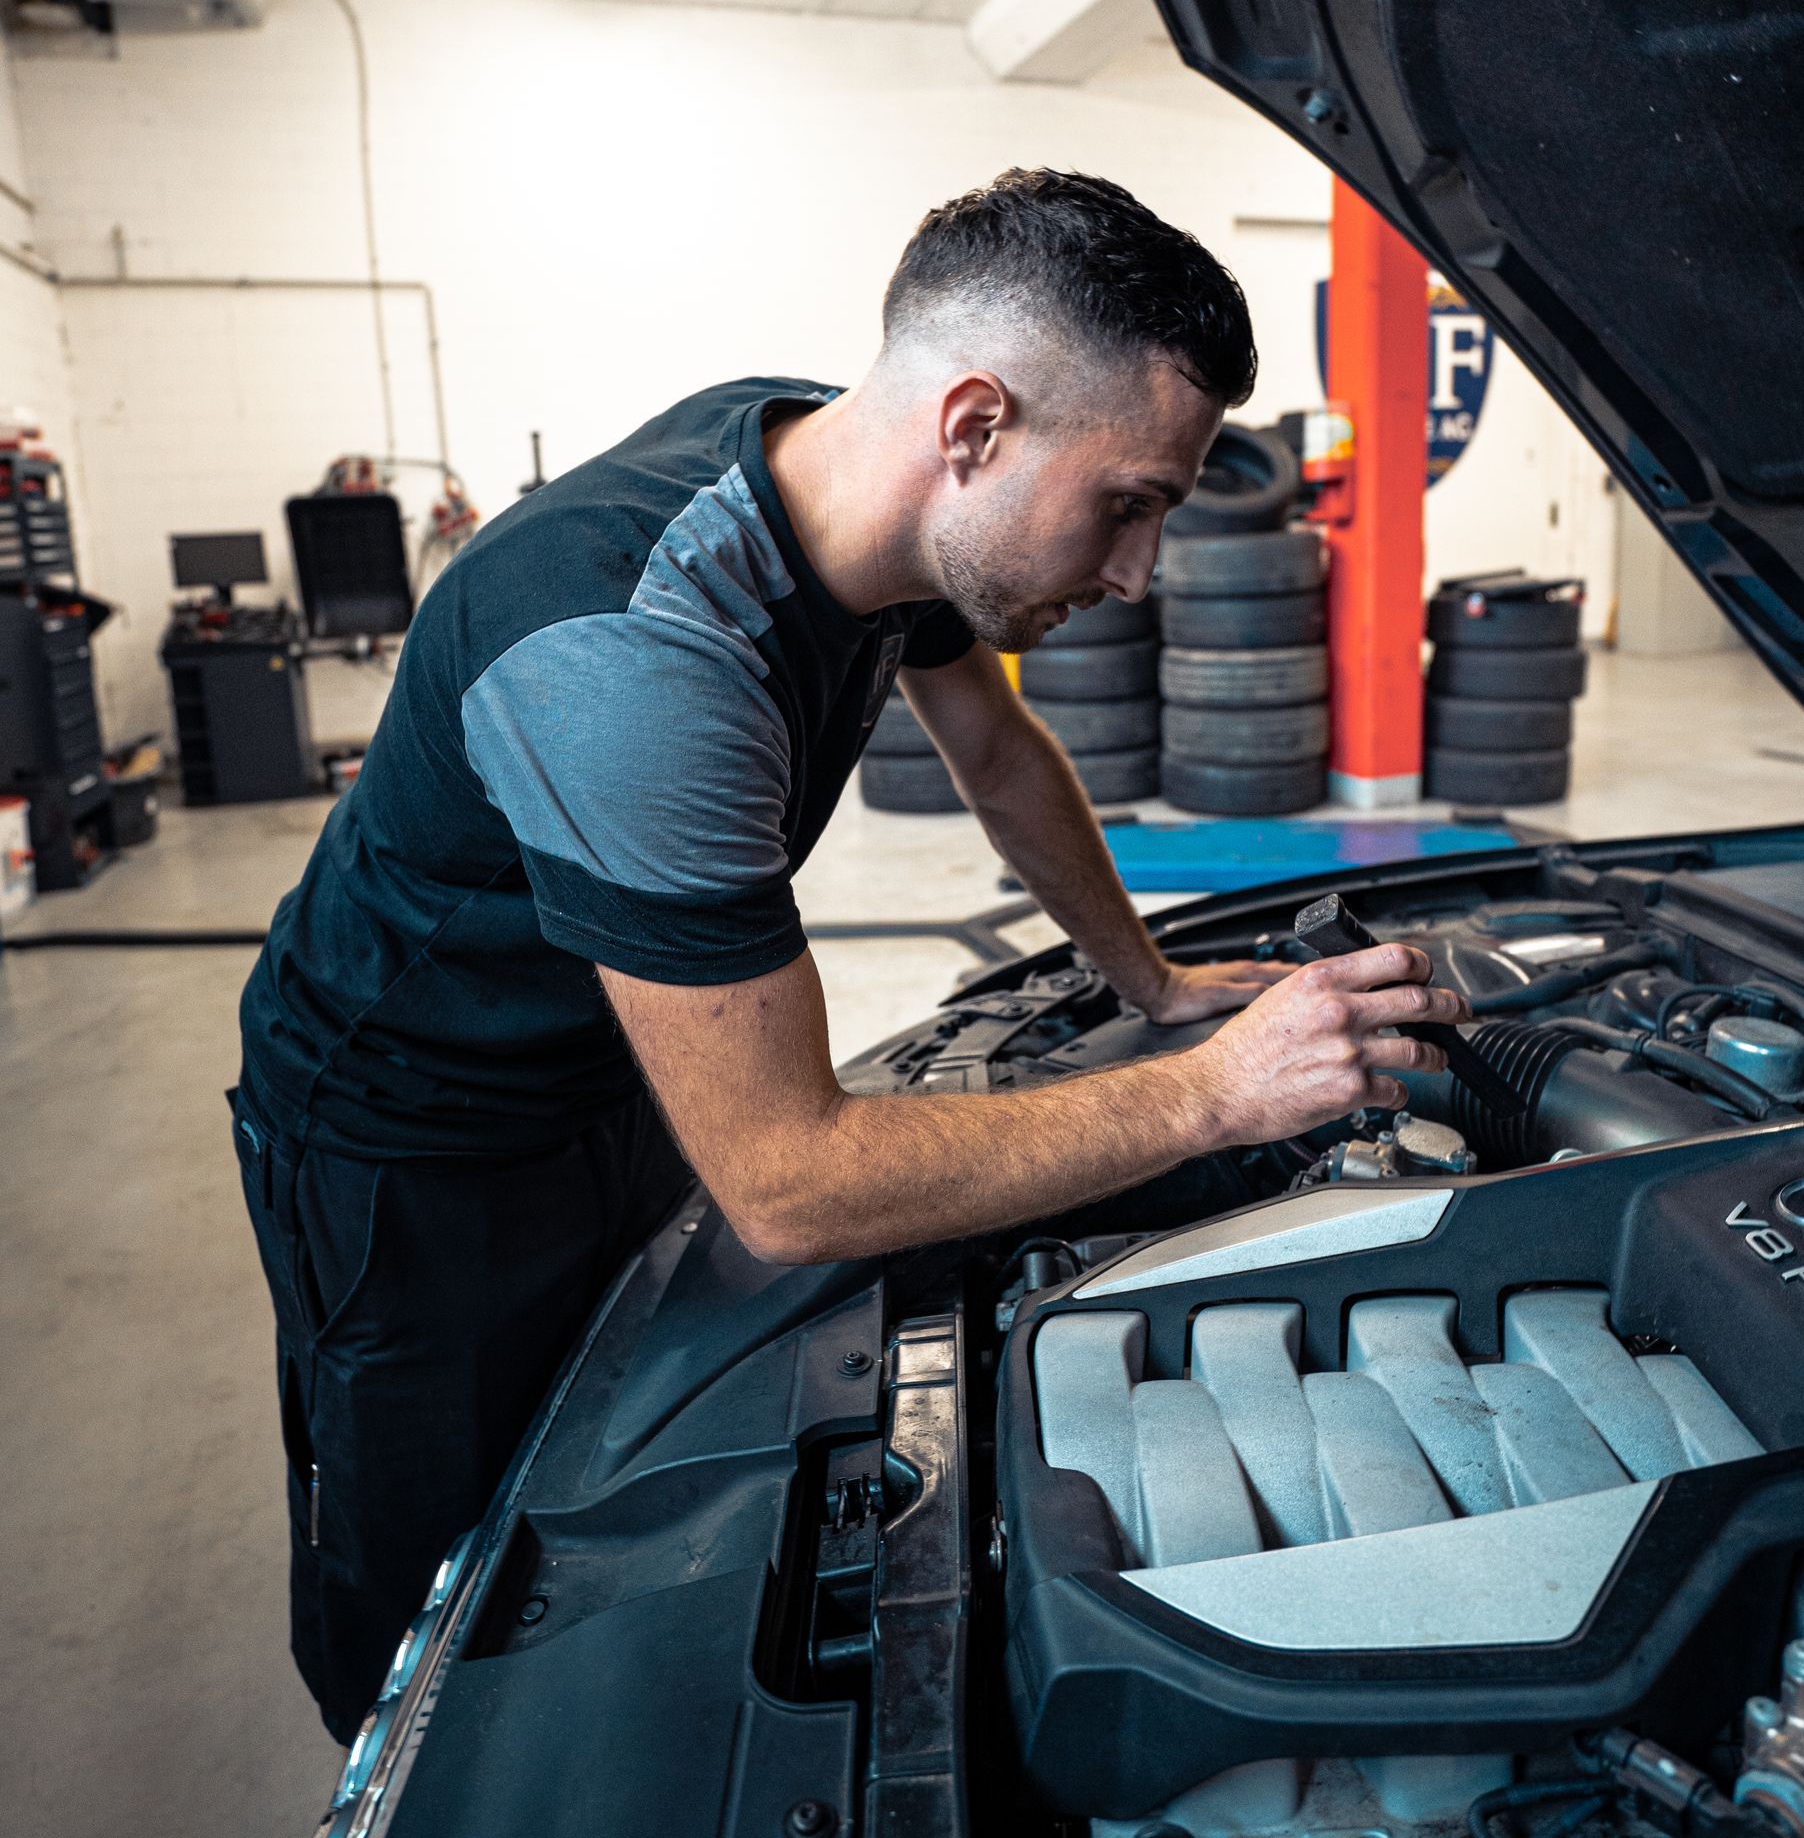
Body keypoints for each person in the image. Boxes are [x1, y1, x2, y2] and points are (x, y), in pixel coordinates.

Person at [231, 166, 1463, 1738]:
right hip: (410, 1135)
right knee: (429, 1604)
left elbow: (1000, 756)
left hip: (610, 1062)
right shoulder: (635, 654)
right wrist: (1217, 1094)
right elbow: (793, 1179)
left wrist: (1146, 984)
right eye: (1132, 501)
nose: (1144, 568)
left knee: (609, 1457)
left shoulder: (854, 482)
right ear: (972, 428)